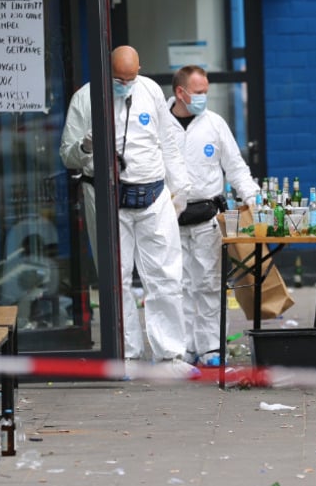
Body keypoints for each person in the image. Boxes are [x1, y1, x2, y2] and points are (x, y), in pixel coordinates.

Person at [60, 46, 198, 378]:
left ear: (140, 70)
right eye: (118, 79)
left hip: (152, 194)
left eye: (130, 78)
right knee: (116, 279)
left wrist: (180, 190)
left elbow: (168, 142)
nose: (124, 85)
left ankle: (170, 356)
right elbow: (67, 156)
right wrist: (86, 145)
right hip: (107, 197)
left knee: (165, 276)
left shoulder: (149, 90)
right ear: (106, 70)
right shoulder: (85, 98)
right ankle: (127, 355)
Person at [166, 65, 260, 367]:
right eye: (199, 92)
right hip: (169, 217)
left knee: (208, 284)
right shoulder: (159, 123)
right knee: (175, 285)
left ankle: (210, 349)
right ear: (180, 92)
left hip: (207, 216)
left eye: (206, 91)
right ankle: (181, 348)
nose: (204, 97)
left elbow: (235, 166)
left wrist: (253, 198)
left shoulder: (214, 124)